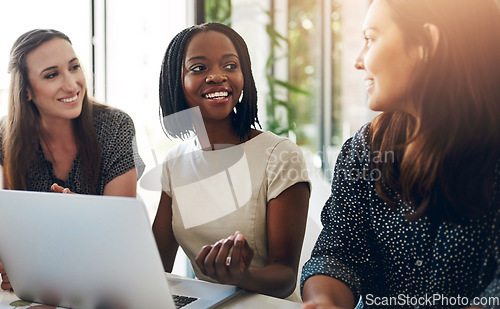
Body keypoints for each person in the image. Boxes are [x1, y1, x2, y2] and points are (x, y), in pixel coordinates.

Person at [300, 0, 500, 308]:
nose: (358, 61)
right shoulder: (363, 150)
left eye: (371, 38)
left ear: (426, 43)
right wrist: (325, 301)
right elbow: (337, 253)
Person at [152, 22, 311, 301]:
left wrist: (242, 276)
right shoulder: (174, 163)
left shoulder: (279, 154)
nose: (217, 76)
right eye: (199, 68)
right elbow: (154, 268)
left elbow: (285, 277)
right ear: (175, 81)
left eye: (230, 65)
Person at [0, 29, 145, 290]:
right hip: (38, 291)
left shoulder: (115, 127)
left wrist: (80, 220)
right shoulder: (5, 136)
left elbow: (118, 238)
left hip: (107, 287)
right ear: (26, 92)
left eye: (74, 67)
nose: (71, 84)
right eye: (52, 74)